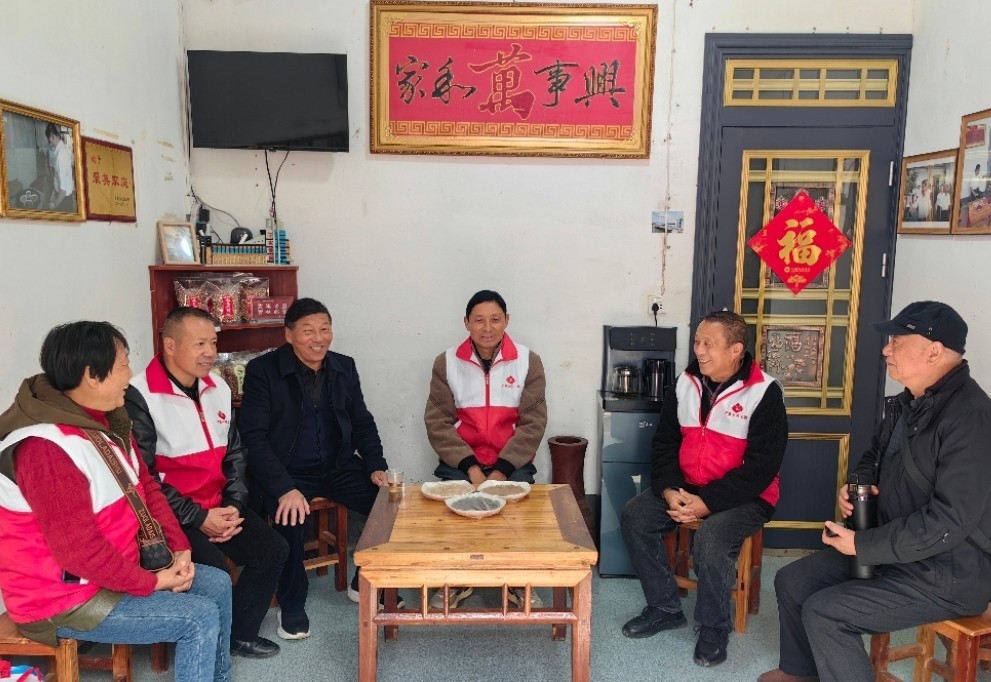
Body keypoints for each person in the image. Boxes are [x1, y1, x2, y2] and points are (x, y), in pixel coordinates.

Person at [758, 301, 991, 682]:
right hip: (893, 552)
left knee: (826, 613)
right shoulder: (910, 402)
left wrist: (863, 546)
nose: (886, 349)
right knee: (793, 581)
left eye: (897, 341)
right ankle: (801, 673)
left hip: (946, 573)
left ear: (934, 351)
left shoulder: (972, 418)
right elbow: (874, 457)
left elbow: (949, 521)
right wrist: (856, 487)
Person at [0, 321, 232, 682]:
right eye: (123, 364)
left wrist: (179, 548)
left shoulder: (108, 423)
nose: (129, 374)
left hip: (112, 571)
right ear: (92, 375)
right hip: (61, 599)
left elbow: (147, 488)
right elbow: (78, 554)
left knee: (216, 584)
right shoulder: (46, 449)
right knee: (196, 617)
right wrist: (154, 582)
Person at [620, 310, 787, 668]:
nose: (699, 350)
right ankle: (665, 607)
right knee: (635, 516)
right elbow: (664, 444)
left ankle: (714, 627)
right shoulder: (685, 383)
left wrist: (707, 502)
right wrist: (669, 490)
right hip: (686, 486)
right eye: (697, 342)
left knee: (710, 540)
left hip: (747, 496)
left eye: (709, 344)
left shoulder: (764, 392)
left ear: (736, 350)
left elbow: (761, 468)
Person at [125, 307, 288, 658]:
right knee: (212, 573)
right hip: (172, 515)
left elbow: (235, 453)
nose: (210, 353)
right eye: (199, 344)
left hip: (218, 504)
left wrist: (233, 505)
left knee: (273, 550)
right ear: (170, 345)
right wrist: (199, 518)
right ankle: (206, 643)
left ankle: (238, 635)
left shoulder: (218, 387)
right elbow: (142, 477)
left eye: (213, 343)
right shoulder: (139, 395)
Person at [239, 297, 393, 640]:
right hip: (287, 472)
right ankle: (292, 603)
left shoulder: (343, 367)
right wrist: (283, 487)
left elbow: (362, 421)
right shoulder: (263, 371)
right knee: (291, 517)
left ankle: (364, 580)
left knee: (389, 503)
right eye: (308, 330)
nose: (318, 338)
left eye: (325, 329)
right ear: (289, 334)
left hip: (337, 466)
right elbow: (254, 437)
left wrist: (375, 466)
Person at [424, 289, 547, 609]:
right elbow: (437, 422)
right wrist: (472, 469)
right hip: (462, 461)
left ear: (507, 320)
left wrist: (501, 472)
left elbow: (533, 424)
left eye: (495, 319)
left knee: (517, 513)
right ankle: (456, 580)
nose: (488, 327)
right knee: (454, 512)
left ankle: (517, 579)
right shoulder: (446, 362)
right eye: (479, 320)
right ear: (466, 323)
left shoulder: (528, 361)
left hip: (511, 462)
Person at [44, 122, 75, 212]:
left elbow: (63, 191)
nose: (50, 144)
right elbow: (60, 179)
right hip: (63, 196)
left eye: (49, 141)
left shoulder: (61, 157)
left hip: (64, 201)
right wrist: (54, 193)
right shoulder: (63, 150)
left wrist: (54, 205)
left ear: (52, 137)